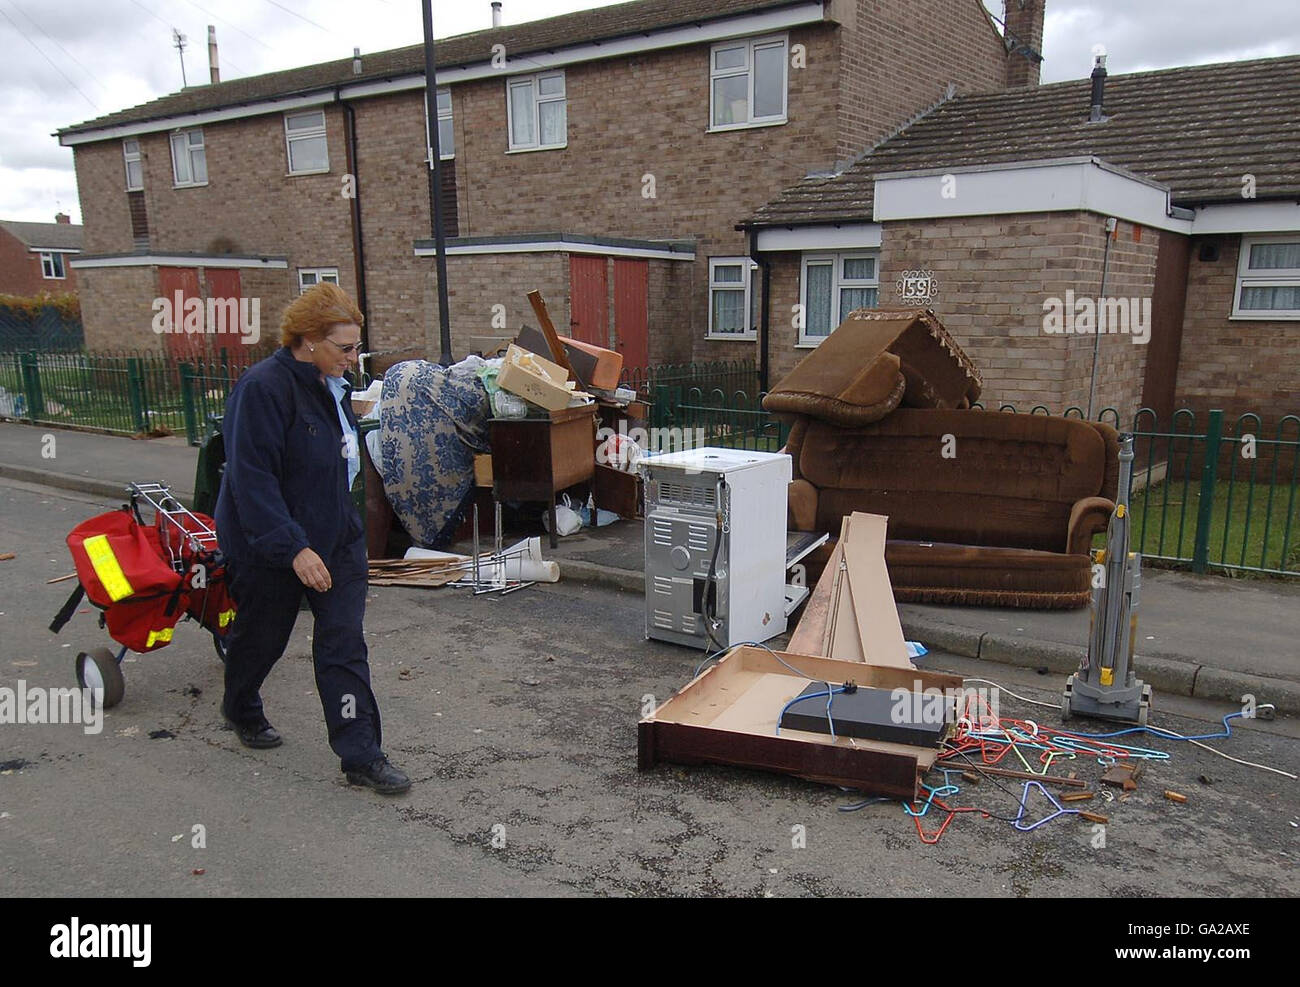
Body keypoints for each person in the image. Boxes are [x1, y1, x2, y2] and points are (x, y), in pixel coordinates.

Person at [214, 283, 410, 795]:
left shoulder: (334, 386)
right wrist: (293, 547)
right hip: (269, 544)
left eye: (355, 347)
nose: (353, 358)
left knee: (343, 644)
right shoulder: (263, 389)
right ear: (306, 340)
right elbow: (250, 480)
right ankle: (240, 705)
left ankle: (361, 755)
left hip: (336, 538)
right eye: (344, 348)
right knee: (262, 639)